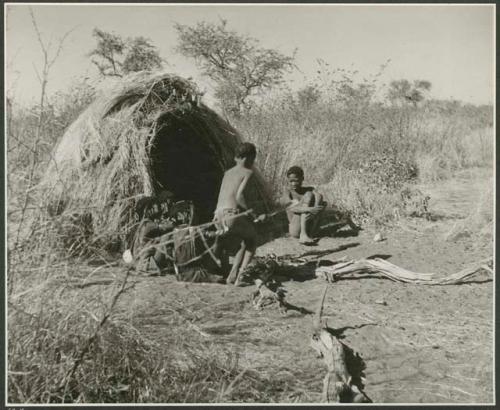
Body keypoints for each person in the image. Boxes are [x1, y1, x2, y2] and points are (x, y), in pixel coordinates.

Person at [213, 142, 265, 286]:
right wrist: (253, 215)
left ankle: (231, 275)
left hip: (218, 215)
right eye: (252, 159)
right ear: (247, 157)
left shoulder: (227, 173)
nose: (252, 163)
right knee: (252, 240)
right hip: (231, 214)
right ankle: (241, 275)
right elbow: (239, 196)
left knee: (242, 241)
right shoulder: (247, 172)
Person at [279, 166, 326, 245]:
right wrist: (310, 209)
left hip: (311, 227)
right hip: (296, 229)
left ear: (302, 178)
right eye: (291, 181)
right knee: (308, 194)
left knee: (320, 199)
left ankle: (309, 233)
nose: (293, 184)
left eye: (296, 181)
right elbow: (292, 208)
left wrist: (316, 209)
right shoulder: (287, 192)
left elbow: (319, 196)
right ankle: (303, 234)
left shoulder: (309, 188)